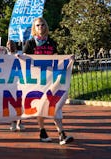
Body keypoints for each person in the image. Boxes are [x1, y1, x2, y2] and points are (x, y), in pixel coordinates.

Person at [23, 17, 74, 145]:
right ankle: (42, 131)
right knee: (40, 106)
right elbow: (24, 61)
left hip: (51, 79)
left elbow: (58, 58)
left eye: (42, 25)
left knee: (54, 104)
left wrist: (69, 58)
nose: (41, 27)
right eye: (38, 25)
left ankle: (61, 133)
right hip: (36, 81)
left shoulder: (51, 42)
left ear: (46, 26)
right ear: (34, 28)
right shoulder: (30, 44)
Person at [6, 40, 25, 132]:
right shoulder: (5, 54)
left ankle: (19, 122)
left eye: (11, 44)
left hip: (19, 80)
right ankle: (13, 122)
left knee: (20, 102)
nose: (9, 46)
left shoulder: (20, 53)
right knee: (12, 103)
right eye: (8, 44)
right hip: (9, 82)